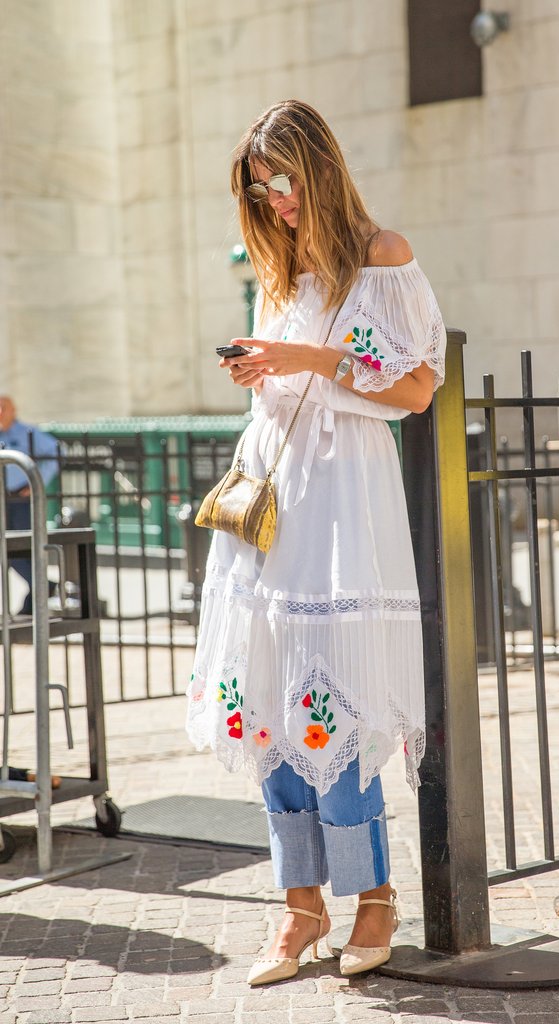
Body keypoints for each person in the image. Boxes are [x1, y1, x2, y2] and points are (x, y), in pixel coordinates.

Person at [186, 100, 446, 986]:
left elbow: (414, 388)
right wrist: (260, 367)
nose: (274, 201)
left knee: (331, 692)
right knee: (267, 697)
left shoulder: (382, 257)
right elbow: (288, 388)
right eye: (260, 191)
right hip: (274, 493)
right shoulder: (277, 266)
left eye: (283, 182)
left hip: (344, 499)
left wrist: (303, 361)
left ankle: (372, 896)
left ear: (320, 168)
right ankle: (300, 908)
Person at [0, 396, 60, 615]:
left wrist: (37, 482)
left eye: (3, 407)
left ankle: (37, 595)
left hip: (22, 499)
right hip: (2, 499)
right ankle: (43, 587)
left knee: (24, 547)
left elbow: (55, 452)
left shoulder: (27, 433)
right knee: (6, 549)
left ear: (13, 410)